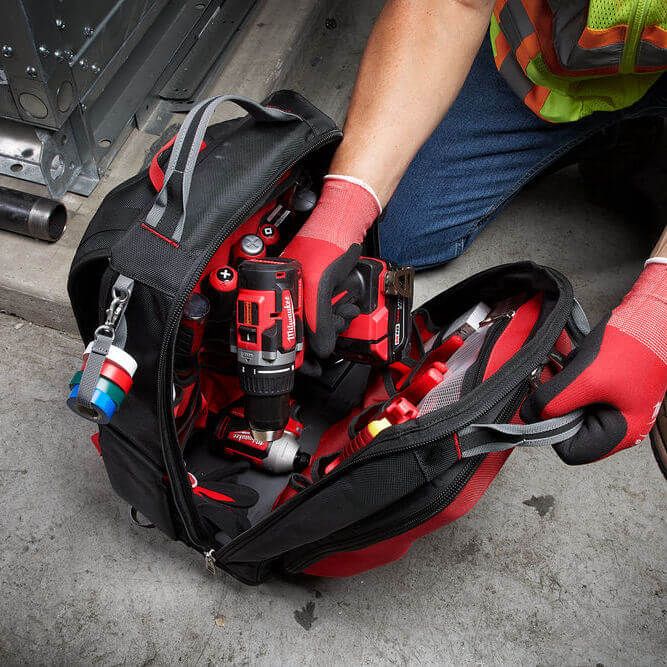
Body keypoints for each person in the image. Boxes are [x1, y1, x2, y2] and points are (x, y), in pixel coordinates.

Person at [285, 0, 667, 465]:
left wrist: (656, 318)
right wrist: (343, 206)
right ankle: (616, 139)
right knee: (398, 234)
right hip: (546, 68)